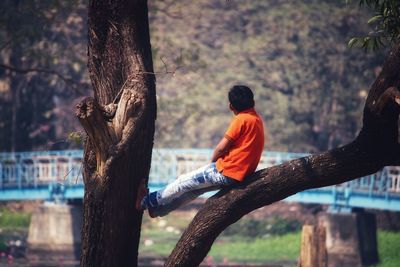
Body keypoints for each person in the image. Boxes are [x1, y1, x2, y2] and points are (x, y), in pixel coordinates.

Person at [136, 85, 265, 217]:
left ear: (230, 106)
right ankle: (158, 210)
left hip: (226, 170)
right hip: (239, 176)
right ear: (253, 102)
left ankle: (145, 202)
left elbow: (221, 147)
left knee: (182, 182)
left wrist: (213, 162)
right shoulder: (257, 119)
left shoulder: (241, 119)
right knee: (192, 191)